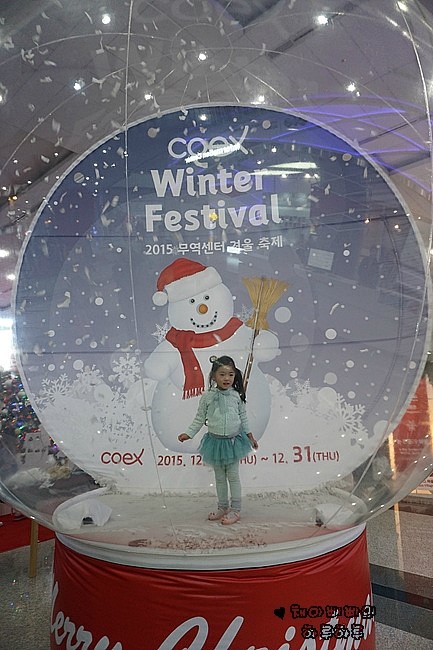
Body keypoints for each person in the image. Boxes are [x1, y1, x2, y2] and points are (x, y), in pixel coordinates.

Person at [178, 355, 258, 525]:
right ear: (214, 376)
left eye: (230, 374)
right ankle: (223, 507)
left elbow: (243, 417)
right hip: (215, 443)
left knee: (233, 476)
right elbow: (199, 418)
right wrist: (189, 433)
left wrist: (250, 435)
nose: (226, 378)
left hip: (233, 443)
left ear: (235, 375)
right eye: (222, 374)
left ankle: (236, 509)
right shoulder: (207, 396)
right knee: (220, 477)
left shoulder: (237, 396)